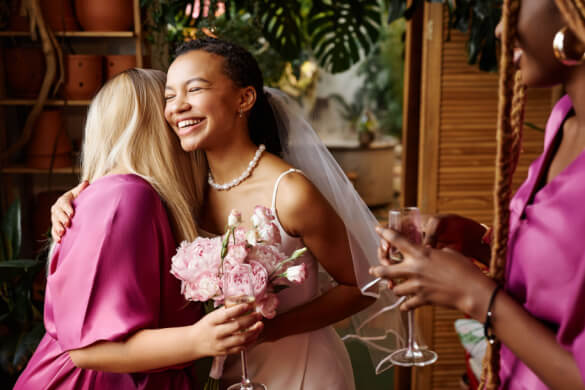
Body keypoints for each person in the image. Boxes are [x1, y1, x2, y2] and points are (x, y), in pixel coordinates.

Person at [51, 38, 408, 389]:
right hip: (222, 370)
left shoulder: (291, 193)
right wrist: (74, 199)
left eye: (194, 90)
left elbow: (363, 286)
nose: (178, 107)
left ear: (244, 98)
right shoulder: (186, 192)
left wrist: (269, 331)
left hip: (300, 368)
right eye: (170, 96)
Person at [371, 0, 585, 389]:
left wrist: (475, 296)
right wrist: (473, 239)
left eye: (516, 5)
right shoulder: (565, 119)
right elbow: (565, 278)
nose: (500, 30)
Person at [15, 68, 263, 389]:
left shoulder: (129, 197)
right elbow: (89, 349)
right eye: (173, 103)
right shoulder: (127, 196)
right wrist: (197, 339)